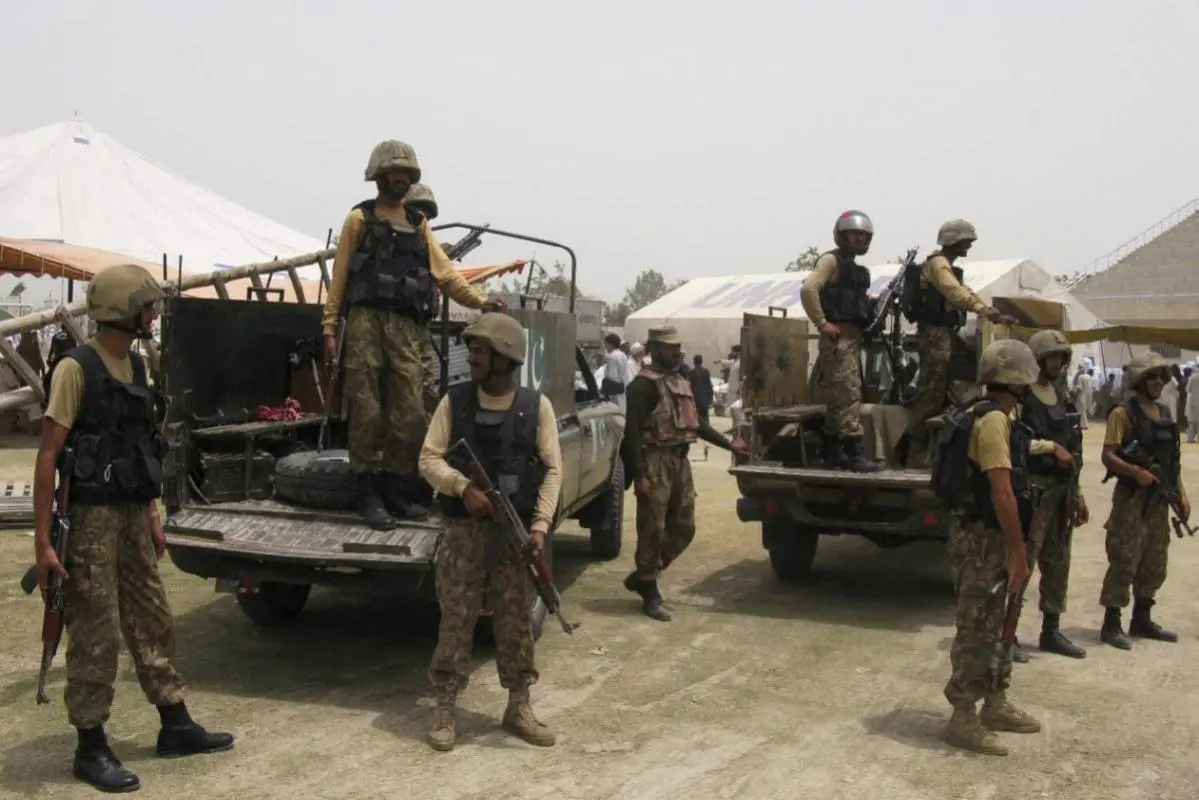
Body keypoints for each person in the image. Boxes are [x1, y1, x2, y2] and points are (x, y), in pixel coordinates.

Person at [34, 264, 233, 793]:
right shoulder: (75, 369)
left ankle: (175, 722)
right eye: (147, 306)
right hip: (90, 520)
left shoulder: (138, 366)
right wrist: (43, 542)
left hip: (132, 514)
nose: (153, 314)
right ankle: (90, 745)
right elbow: (48, 456)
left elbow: (139, 449)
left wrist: (151, 516)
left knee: (152, 616)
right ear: (123, 310)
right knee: (95, 630)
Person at [322, 139, 506, 531]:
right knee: (367, 413)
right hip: (366, 324)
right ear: (379, 176)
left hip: (405, 329)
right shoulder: (359, 219)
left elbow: (445, 274)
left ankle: (394, 487)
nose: (400, 180)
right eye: (394, 173)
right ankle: (368, 493)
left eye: (406, 174)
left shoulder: (419, 224)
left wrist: (480, 301)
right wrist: (330, 328)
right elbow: (338, 279)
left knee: (410, 415)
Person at [417, 312, 561, 752]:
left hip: (514, 536)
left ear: (505, 357)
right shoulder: (454, 401)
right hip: (463, 533)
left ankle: (518, 706)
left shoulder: (536, 406)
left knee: (516, 622)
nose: (472, 357)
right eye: (472, 349)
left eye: (481, 350)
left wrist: (540, 525)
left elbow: (553, 470)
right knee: (456, 620)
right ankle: (445, 709)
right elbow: (428, 458)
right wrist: (462, 488)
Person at [941, 338, 1057, 756]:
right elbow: (1002, 492)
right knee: (977, 627)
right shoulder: (991, 421)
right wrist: (1019, 554)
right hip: (982, 540)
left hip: (991, 538)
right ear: (1018, 381)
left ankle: (994, 701)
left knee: (1001, 619)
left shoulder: (998, 417)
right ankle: (962, 716)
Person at [621, 326, 750, 620]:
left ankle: (644, 576)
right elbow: (631, 433)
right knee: (653, 528)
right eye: (670, 348)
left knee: (684, 527)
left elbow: (697, 424)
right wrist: (639, 474)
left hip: (680, 461)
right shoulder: (641, 387)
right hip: (655, 461)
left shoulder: (681, 381)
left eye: (678, 348)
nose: (676, 353)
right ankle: (649, 589)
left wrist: (728, 444)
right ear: (654, 350)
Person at [903, 220, 1017, 467]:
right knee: (931, 393)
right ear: (954, 241)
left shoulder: (947, 266)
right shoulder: (938, 264)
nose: (969, 246)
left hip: (945, 334)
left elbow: (966, 291)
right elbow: (954, 292)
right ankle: (915, 450)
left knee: (959, 386)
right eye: (966, 241)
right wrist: (982, 309)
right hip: (934, 335)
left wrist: (990, 312)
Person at [1098, 352, 1190, 649]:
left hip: (1159, 499)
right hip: (1132, 499)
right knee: (1124, 557)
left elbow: (1171, 461)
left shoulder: (1164, 413)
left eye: (1162, 377)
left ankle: (1142, 618)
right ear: (1139, 380)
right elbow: (1108, 455)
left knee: (1155, 558)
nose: (1159, 382)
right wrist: (1135, 472)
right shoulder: (1122, 413)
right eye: (1152, 377)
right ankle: (1112, 623)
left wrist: (1181, 494)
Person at [1019, 331, 1089, 660]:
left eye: (1062, 357)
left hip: (1062, 492)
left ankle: (1051, 630)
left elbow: (1074, 448)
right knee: (1022, 562)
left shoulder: (1062, 396)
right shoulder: (1022, 397)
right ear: (1038, 359)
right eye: (1052, 357)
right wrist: (1049, 447)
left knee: (1058, 564)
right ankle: (1007, 633)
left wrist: (1078, 493)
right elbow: (1015, 442)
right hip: (1033, 491)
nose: (1057, 363)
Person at [800, 210, 882, 472]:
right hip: (839, 338)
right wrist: (822, 323)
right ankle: (855, 454)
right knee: (848, 395)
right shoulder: (831, 261)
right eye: (854, 234)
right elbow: (808, 289)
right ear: (841, 235)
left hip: (850, 337)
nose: (859, 239)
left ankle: (834, 454)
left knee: (838, 398)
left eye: (863, 235)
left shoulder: (852, 268)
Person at [600, 333, 630, 412]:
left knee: (615, 412)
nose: (605, 347)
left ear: (611, 344)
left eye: (606, 344)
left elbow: (612, 377)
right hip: (623, 390)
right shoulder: (622, 355)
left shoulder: (612, 357)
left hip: (614, 393)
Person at [688, 354, 714, 426]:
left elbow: (689, 387)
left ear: (694, 362)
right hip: (705, 399)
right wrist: (710, 398)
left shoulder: (691, 373)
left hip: (696, 398)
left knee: (697, 418)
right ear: (701, 362)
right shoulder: (705, 372)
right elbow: (709, 386)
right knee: (705, 418)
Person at [1186, 368, 1199, 443]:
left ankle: (1190, 438)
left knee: (1192, 421)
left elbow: (1188, 389)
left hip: (1193, 400)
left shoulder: (1192, 378)